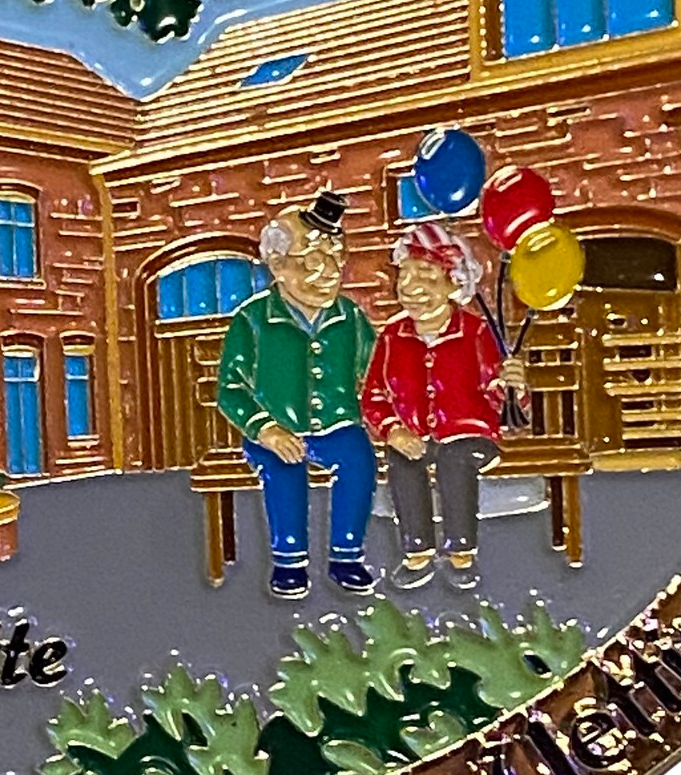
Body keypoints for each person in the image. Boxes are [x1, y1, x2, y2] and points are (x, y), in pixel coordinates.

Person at [215, 191, 380, 599]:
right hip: (276, 429)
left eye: (336, 258)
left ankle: (347, 554)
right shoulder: (253, 319)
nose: (329, 272)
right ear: (277, 265)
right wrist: (265, 429)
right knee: (282, 468)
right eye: (311, 260)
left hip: (338, 425)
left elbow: (376, 371)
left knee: (359, 460)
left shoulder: (350, 317)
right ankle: (288, 560)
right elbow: (230, 389)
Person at [361, 220, 526, 590]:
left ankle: (461, 551)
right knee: (403, 461)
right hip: (416, 435)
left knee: (454, 459)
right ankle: (416, 551)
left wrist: (511, 386)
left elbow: (498, 394)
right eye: (405, 276)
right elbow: (374, 395)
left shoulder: (476, 331)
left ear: (454, 283)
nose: (412, 288)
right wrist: (393, 430)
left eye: (427, 277)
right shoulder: (393, 335)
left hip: (469, 435)